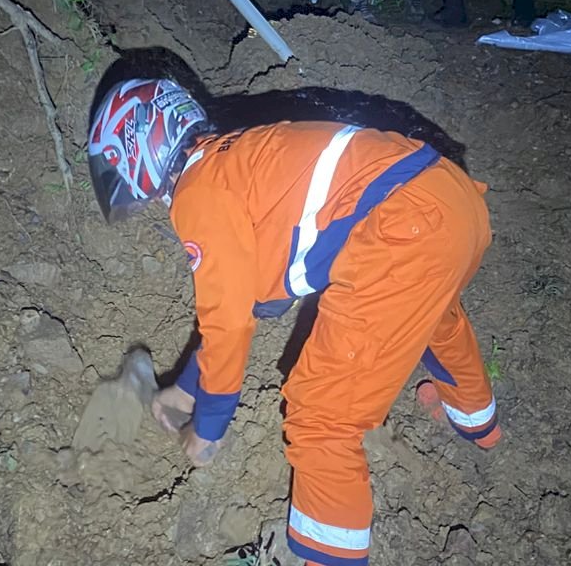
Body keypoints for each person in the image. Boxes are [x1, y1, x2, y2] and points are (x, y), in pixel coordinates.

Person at [89, 78, 499, 566]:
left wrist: (210, 428)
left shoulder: (199, 194)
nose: (135, 202)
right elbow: (249, 303)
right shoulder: (230, 162)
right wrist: (186, 389)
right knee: (436, 318)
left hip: (406, 225)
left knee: (322, 415)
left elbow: (227, 325)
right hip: (451, 201)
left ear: (140, 148)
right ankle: (480, 426)